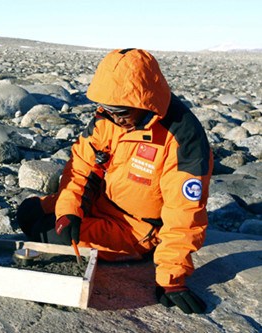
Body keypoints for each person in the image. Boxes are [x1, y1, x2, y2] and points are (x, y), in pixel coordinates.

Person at [16, 48, 213, 314]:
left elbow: (185, 213)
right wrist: (69, 211)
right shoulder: (108, 117)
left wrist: (171, 278)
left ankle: (139, 254)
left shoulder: (183, 139)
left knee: (51, 236)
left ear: (146, 103)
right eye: (108, 110)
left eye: (120, 112)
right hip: (101, 201)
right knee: (30, 213)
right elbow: (82, 166)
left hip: (135, 228)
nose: (114, 118)